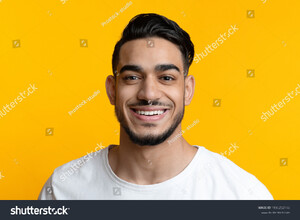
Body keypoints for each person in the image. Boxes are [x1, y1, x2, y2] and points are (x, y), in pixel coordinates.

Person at [38, 13, 273, 200]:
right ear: (112, 89)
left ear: (187, 90)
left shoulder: (242, 195)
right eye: (132, 77)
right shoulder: (62, 189)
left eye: (167, 78)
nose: (149, 94)